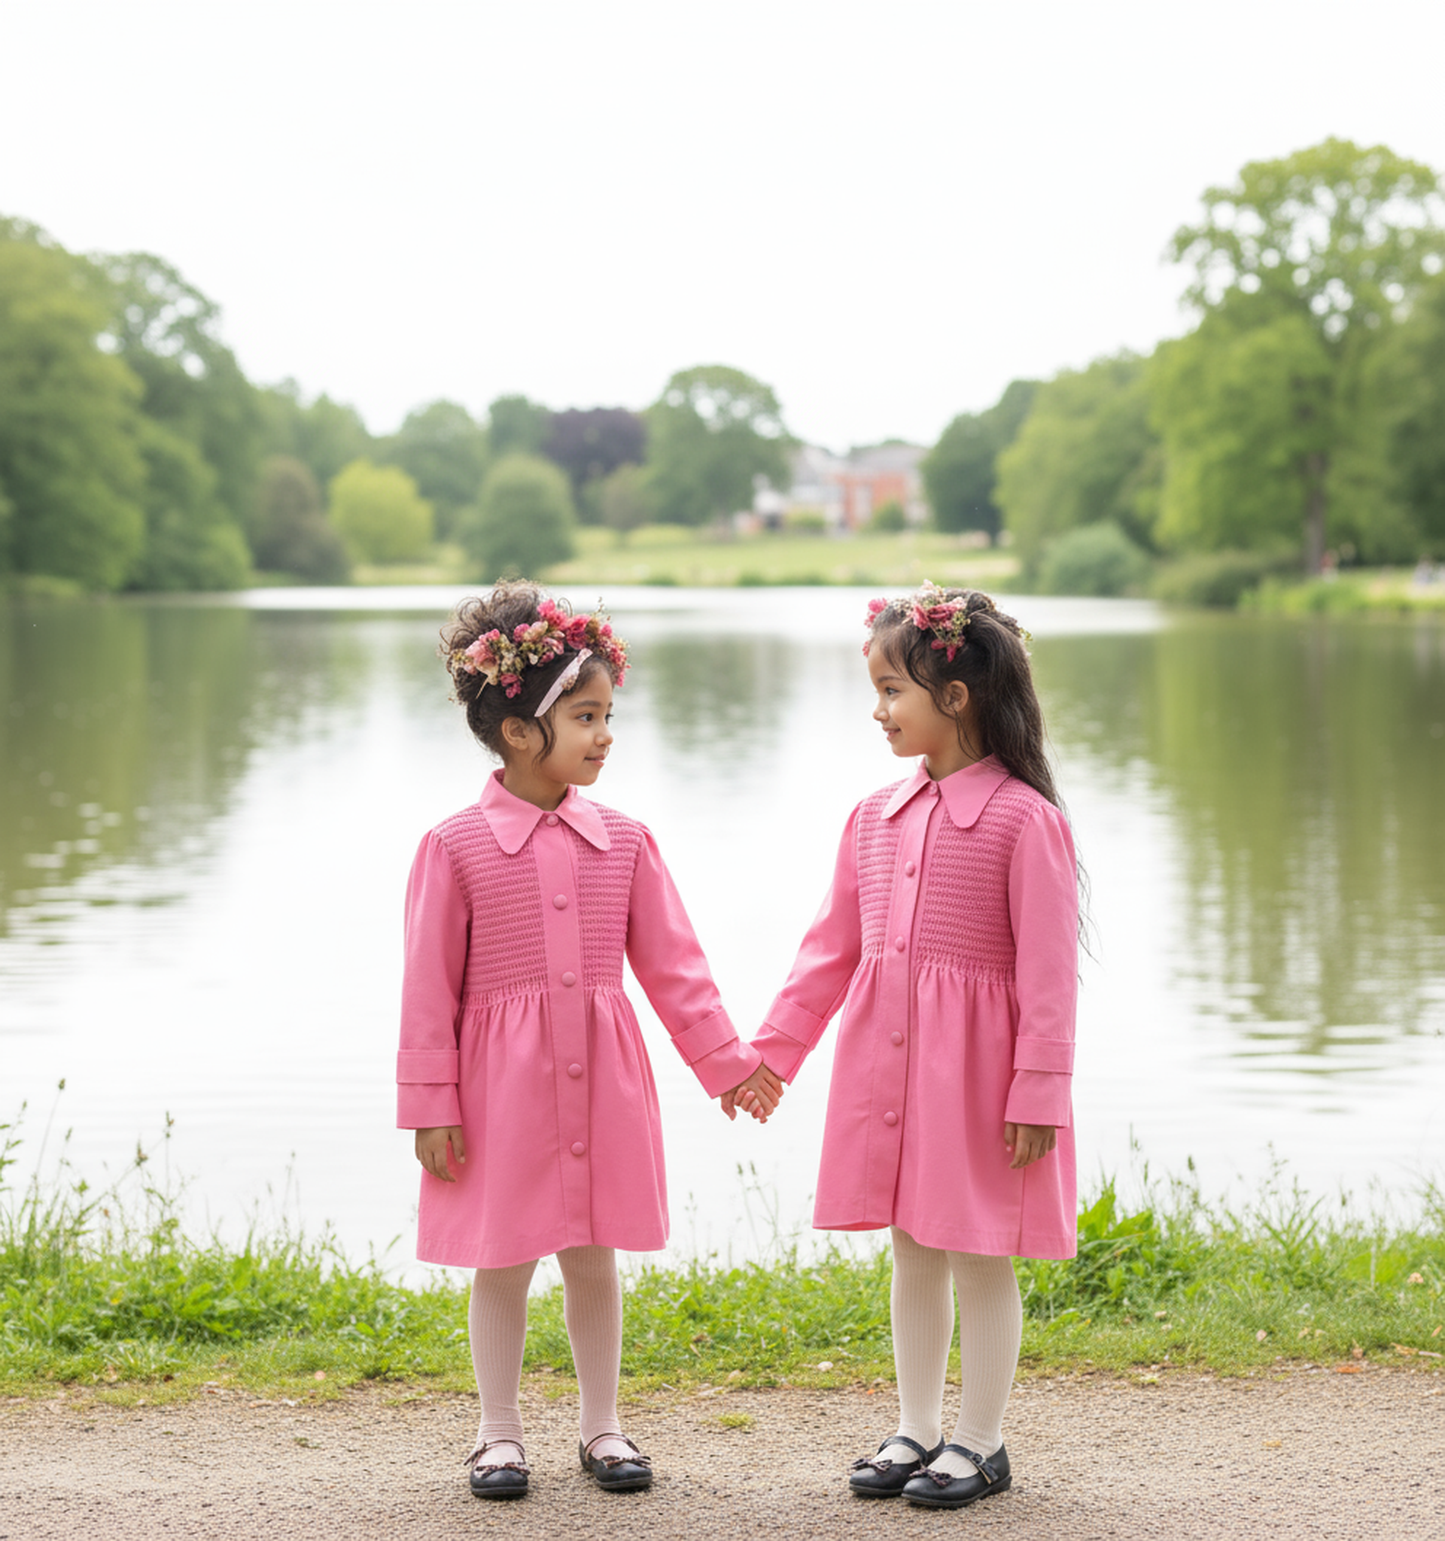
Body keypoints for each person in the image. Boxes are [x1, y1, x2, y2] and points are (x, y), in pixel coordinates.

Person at [397, 581, 782, 1501]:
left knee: (593, 1254)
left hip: (602, 1082)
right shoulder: (452, 848)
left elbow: (675, 969)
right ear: (519, 728)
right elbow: (425, 992)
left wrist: (730, 1065)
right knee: (502, 1256)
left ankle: (602, 1425)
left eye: (609, 713)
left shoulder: (627, 842)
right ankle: (497, 1432)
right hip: (500, 1090)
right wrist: (429, 1107)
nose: (606, 733)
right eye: (584, 715)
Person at [739, 583, 1079, 1512]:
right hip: (890, 1068)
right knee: (911, 1244)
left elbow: (1050, 975)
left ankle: (980, 1440)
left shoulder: (1023, 820)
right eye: (877, 690)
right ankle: (917, 1425)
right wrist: (771, 1053)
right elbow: (829, 950)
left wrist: (1037, 1090)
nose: (879, 710)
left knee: (978, 1249)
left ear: (955, 695)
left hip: (978, 1079)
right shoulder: (872, 820)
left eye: (894, 690)